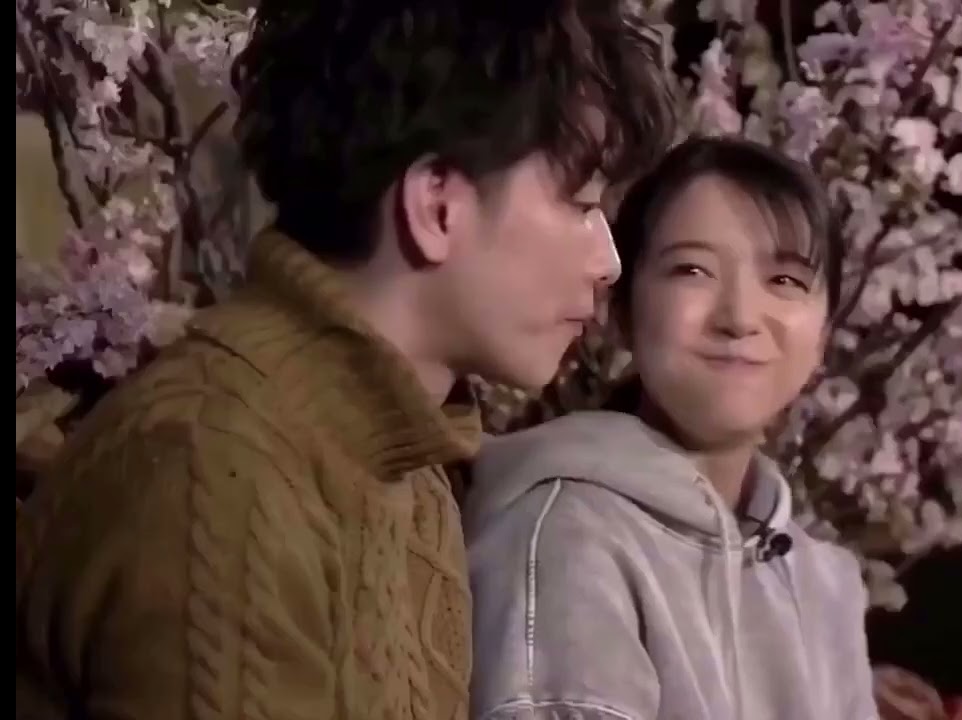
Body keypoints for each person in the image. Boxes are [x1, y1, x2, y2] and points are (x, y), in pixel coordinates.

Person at [15, 1, 676, 718]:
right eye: (581, 204)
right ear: (437, 206)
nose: (609, 261)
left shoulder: (408, 462)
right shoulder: (211, 461)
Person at [465, 136, 879, 720]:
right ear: (622, 313)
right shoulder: (566, 532)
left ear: (824, 335)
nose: (739, 317)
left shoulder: (825, 585)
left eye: (785, 280)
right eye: (692, 270)